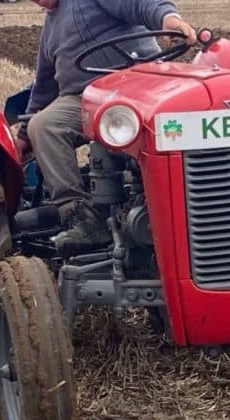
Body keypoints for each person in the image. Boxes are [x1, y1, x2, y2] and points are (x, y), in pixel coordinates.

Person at [16, 0, 196, 257]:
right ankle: (82, 219)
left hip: (137, 82)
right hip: (85, 98)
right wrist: (23, 136)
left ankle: (189, 203)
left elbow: (139, 4)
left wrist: (168, 19)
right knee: (44, 126)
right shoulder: (50, 28)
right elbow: (44, 87)